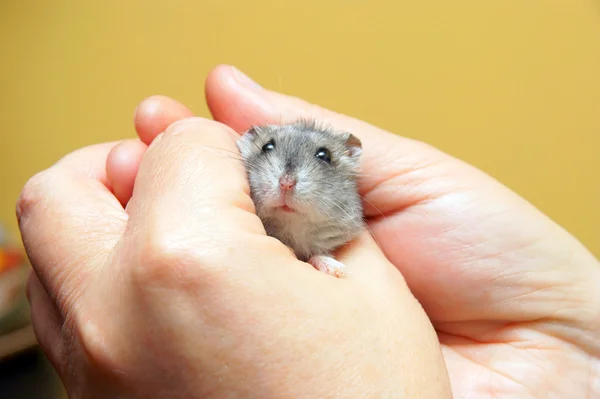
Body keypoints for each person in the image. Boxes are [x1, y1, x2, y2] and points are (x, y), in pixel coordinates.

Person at [17, 65, 599, 398]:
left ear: (347, 160)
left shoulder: (349, 222)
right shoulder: (227, 205)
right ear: (246, 150)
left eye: (319, 159)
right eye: (268, 151)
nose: (288, 179)